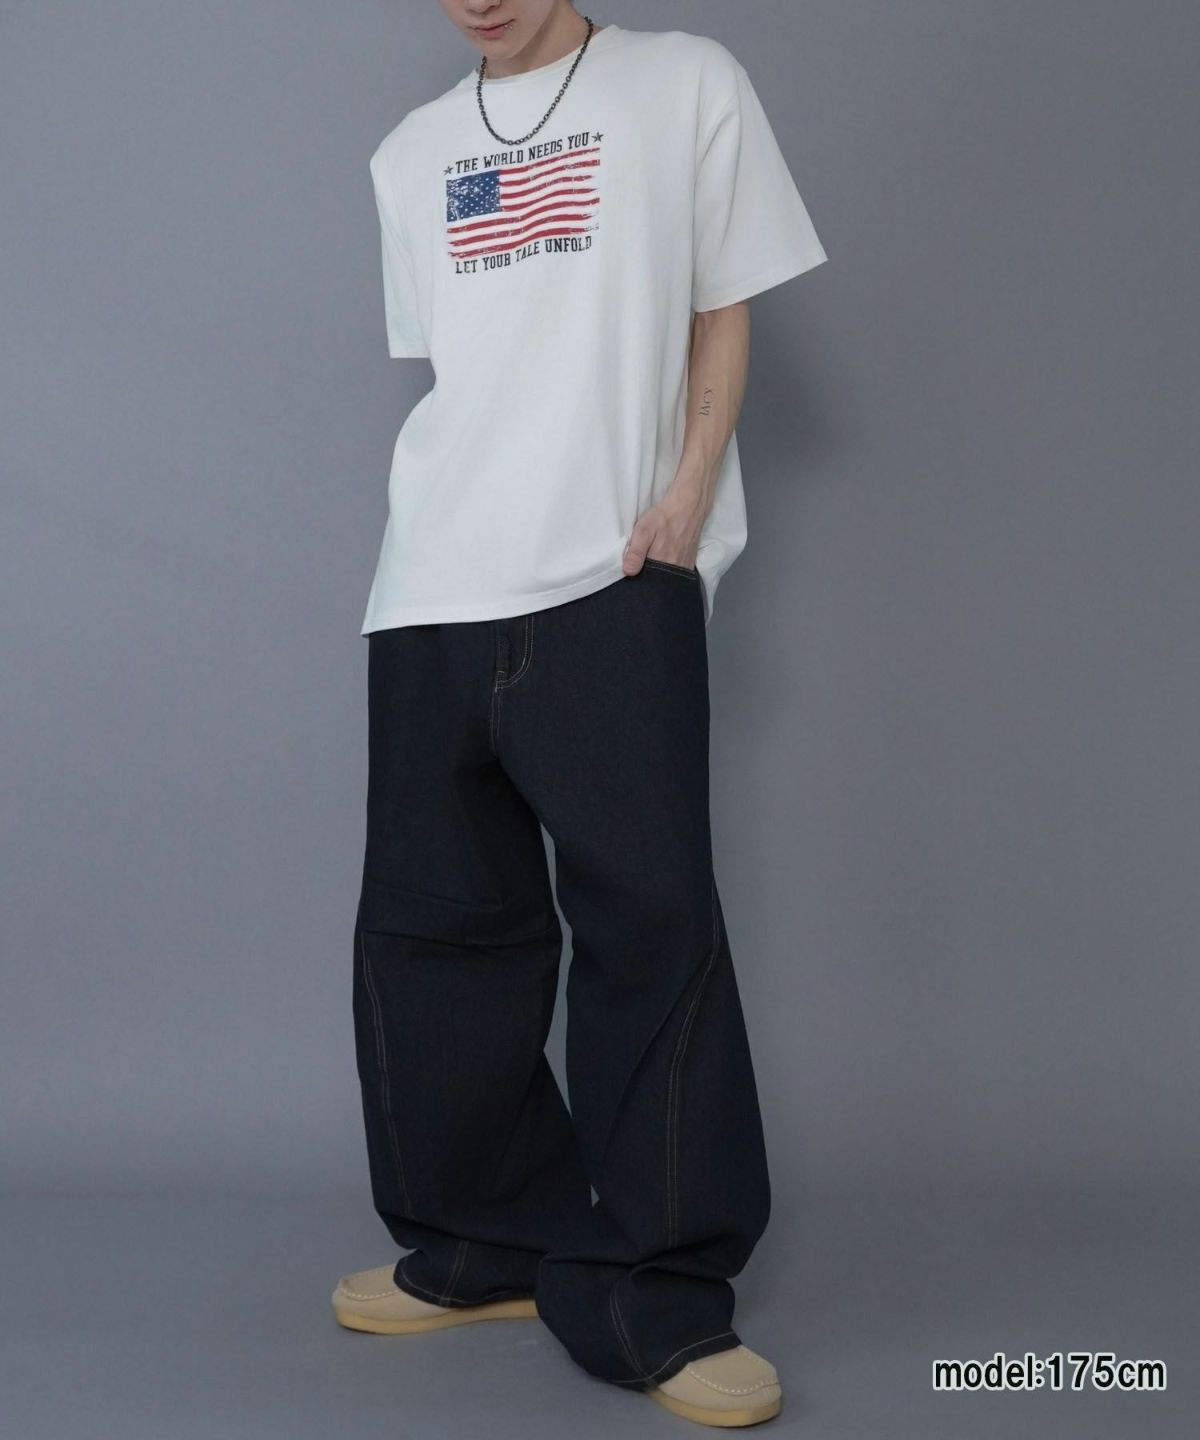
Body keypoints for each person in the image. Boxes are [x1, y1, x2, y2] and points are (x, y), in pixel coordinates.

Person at [331, 1, 827, 1427]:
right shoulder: (410, 151)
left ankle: (659, 1295)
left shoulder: (684, 84)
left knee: (650, 936)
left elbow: (720, 303)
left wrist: (686, 500)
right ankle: (481, 1240)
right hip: (431, 587)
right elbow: (471, 375)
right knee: (435, 937)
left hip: (614, 573)